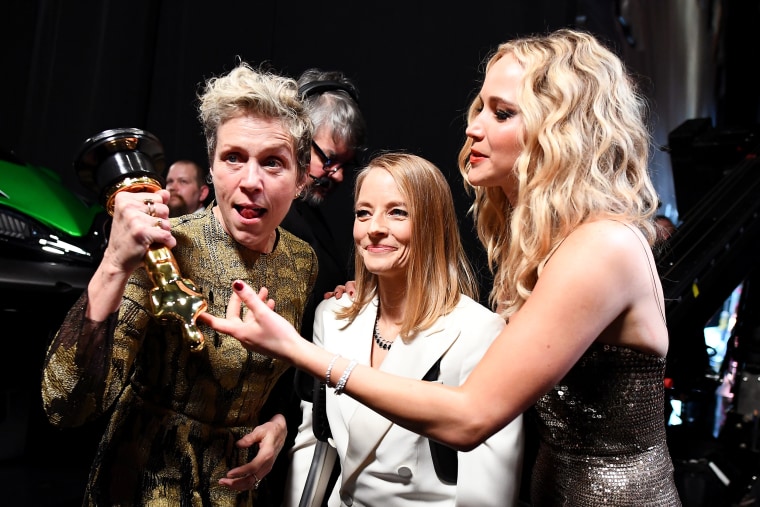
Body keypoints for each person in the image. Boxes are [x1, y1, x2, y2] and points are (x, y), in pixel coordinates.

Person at [201, 28, 683, 506]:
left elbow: (470, 418)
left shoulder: (600, 246)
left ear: (560, 130)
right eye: (480, 108)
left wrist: (298, 349)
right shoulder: (551, 247)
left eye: (502, 113)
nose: (474, 127)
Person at [40, 61, 317, 506]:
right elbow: (66, 405)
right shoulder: (164, 250)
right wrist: (115, 263)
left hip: (232, 491)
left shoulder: (301, 260)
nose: (250, 181)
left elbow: (282, 374)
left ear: (301, 178)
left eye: (273, 163)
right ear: (211, 166)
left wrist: (280, 423)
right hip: (141, 486)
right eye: (233, 158)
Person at [283, 152, 523, 506]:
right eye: (363, 213)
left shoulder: (478, 331)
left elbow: (488, 490)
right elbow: (315, 442)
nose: (374, 227)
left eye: (397, 212)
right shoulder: (331, 317)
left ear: (432, 224)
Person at [271, 68, 368, 504]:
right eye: (327, 158)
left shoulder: (312, 218)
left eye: (345, 165)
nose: (336, 175)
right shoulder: (270, 214)